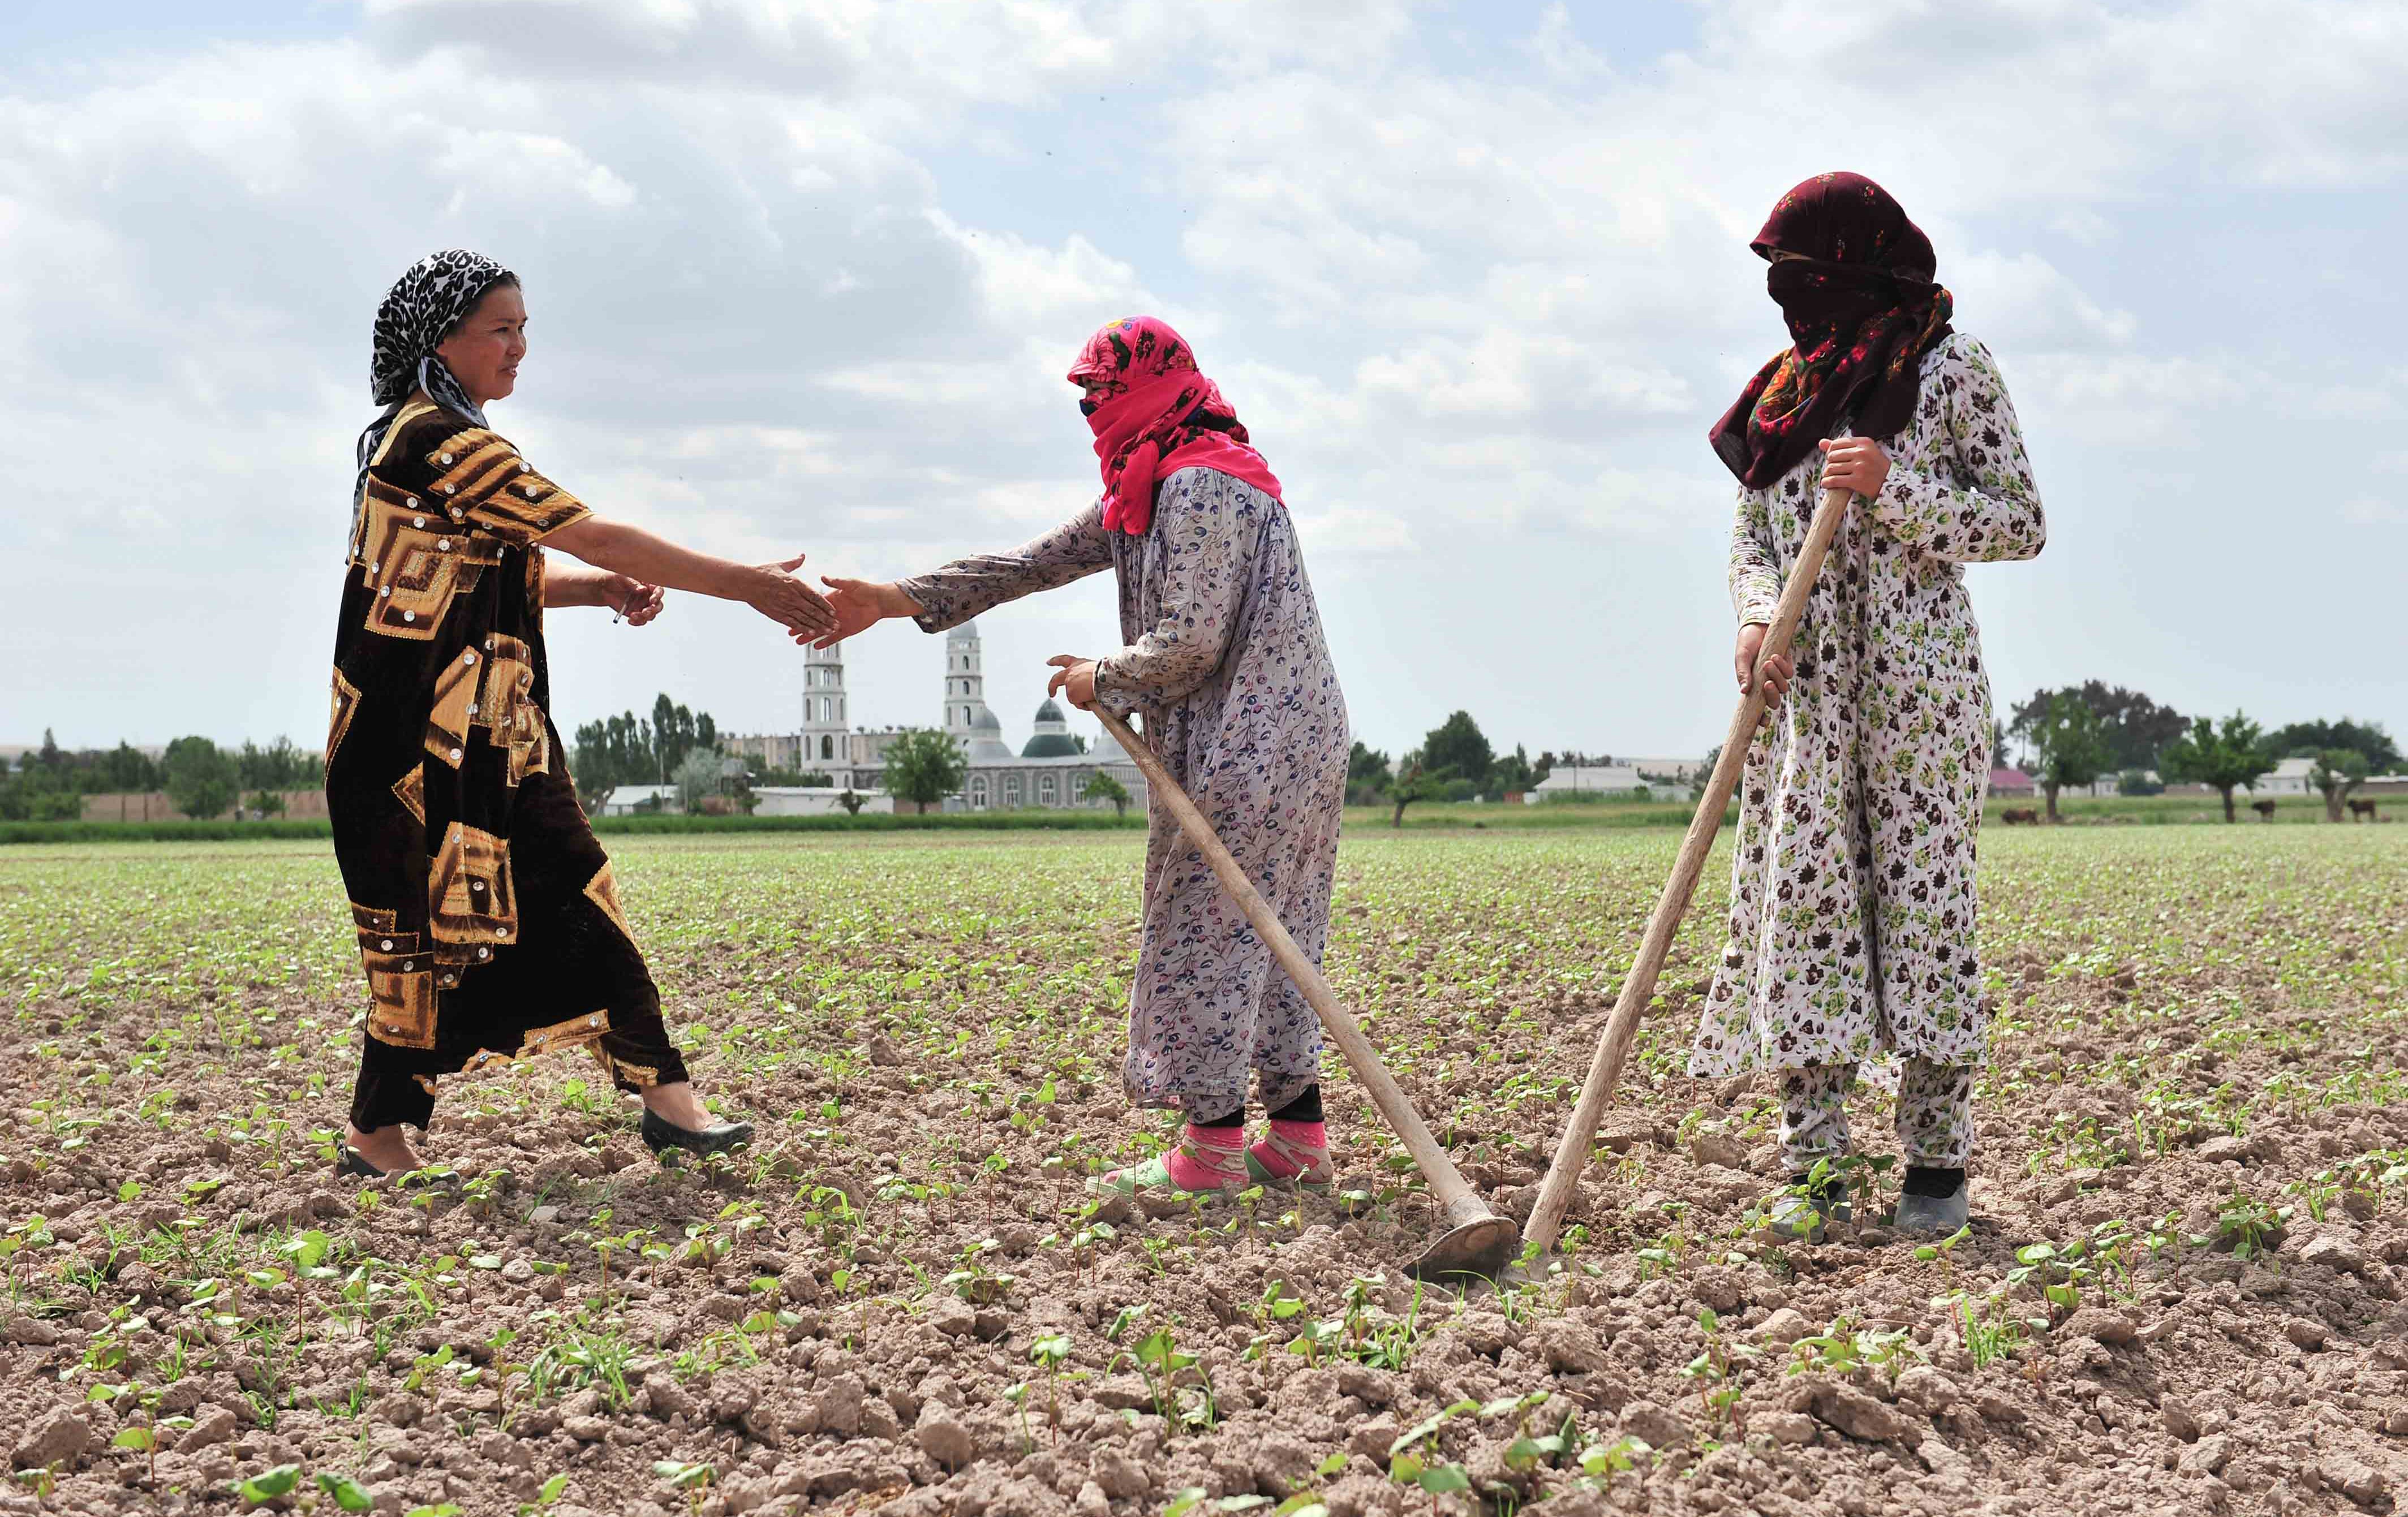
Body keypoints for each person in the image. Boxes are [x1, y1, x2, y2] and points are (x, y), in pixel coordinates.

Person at [328, 249, 835, 1176]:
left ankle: (670, 1099)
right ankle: (375, 1133)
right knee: (416, 943)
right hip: (407, 756)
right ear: (444, 338)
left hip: (493, 742)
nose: (521, 347)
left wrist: (595, 586)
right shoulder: (437, 440)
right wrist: (745, 585)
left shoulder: (441, 440)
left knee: (575, 886)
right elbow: (589, 526)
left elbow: (482, 577)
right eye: (501, 329)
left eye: (525, 326)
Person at [816, 316, 1349, 1196]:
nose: (1091, 410)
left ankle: (1213, 1150)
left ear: (1149, 386)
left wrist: (1104, 675)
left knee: (1210, 927)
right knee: (1272, 931)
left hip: (1258, 739)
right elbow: (1035, 562)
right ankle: (1296, 1138)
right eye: (1085, 398)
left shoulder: (1201, 487)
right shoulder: (1155, 478)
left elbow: (1191, 644)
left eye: (1102, 393)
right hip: (1268, 736)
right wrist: (895, 597)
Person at [1690, 174, 2046, 1238]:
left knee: (1928, 912)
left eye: (1803, 275)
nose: (1789, 297)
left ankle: (1935, 1170)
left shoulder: (1951, 367)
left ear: (1858, 268)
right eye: (1777, 279)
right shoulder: (1787, 393)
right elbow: (1753, 539)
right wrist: (1757, 622)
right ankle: (1813, 1166)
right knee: (1805, 913)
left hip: (1919, 692)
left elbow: (2021, 520)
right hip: (1807, 704)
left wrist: (1898, 484)